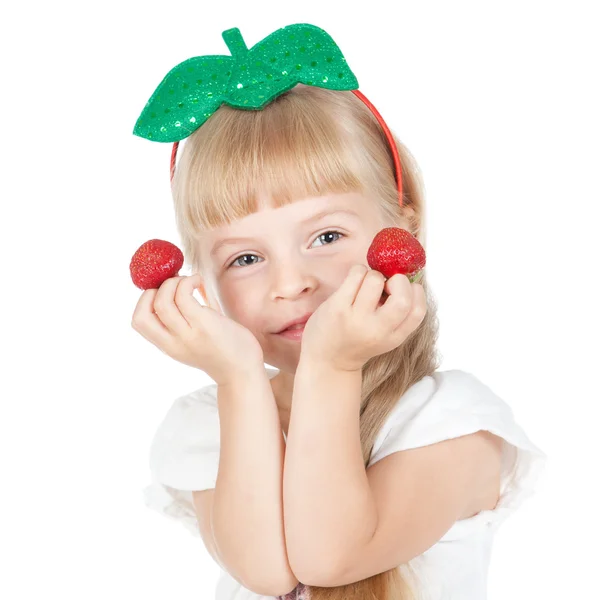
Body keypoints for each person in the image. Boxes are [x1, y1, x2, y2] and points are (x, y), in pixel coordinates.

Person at [131, 23, 547, 600]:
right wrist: (237, 377)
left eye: (326, 237)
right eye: (246, 257)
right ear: (202, 284)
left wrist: (333, 366)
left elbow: (328, 557)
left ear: (405, 229)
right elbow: (268, 572)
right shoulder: (213, 421)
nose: (292, 282)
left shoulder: (451, 421)